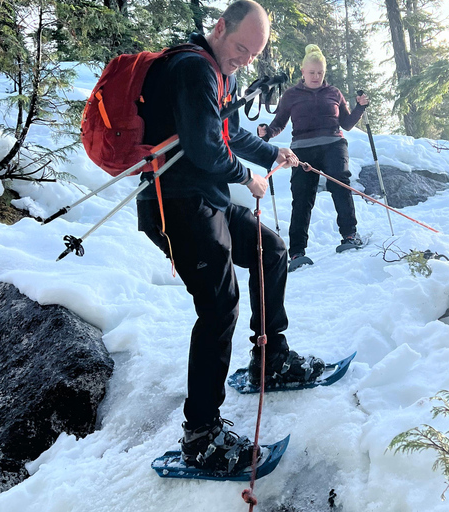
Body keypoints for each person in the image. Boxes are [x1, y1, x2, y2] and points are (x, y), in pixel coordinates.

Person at [135, 0, 324, 474]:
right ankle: (201, 434)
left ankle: (269, 357)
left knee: (271, 250)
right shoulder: (193, 70)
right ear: (220, 27)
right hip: (173, 205)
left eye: (253, 54)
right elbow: (204, 149)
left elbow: (229, 132)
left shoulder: (224, 73)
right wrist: (248, 178)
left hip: (206, 198)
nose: (244, 58)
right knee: (219, 305)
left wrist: (272, 154)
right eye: (241, 47)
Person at [258, 44, 369, 270]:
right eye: (312, 73)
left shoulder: (334, 93)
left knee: (340, 184)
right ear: (303, 72)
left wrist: (359, 107)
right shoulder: (291, 95)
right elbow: (279, 123)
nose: (316, 76)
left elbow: (346, 124)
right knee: (302, 197)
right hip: (302, 150)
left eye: (320, 73)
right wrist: (267, 133)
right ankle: (297, 252)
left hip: (333, 144)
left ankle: (350, 235)